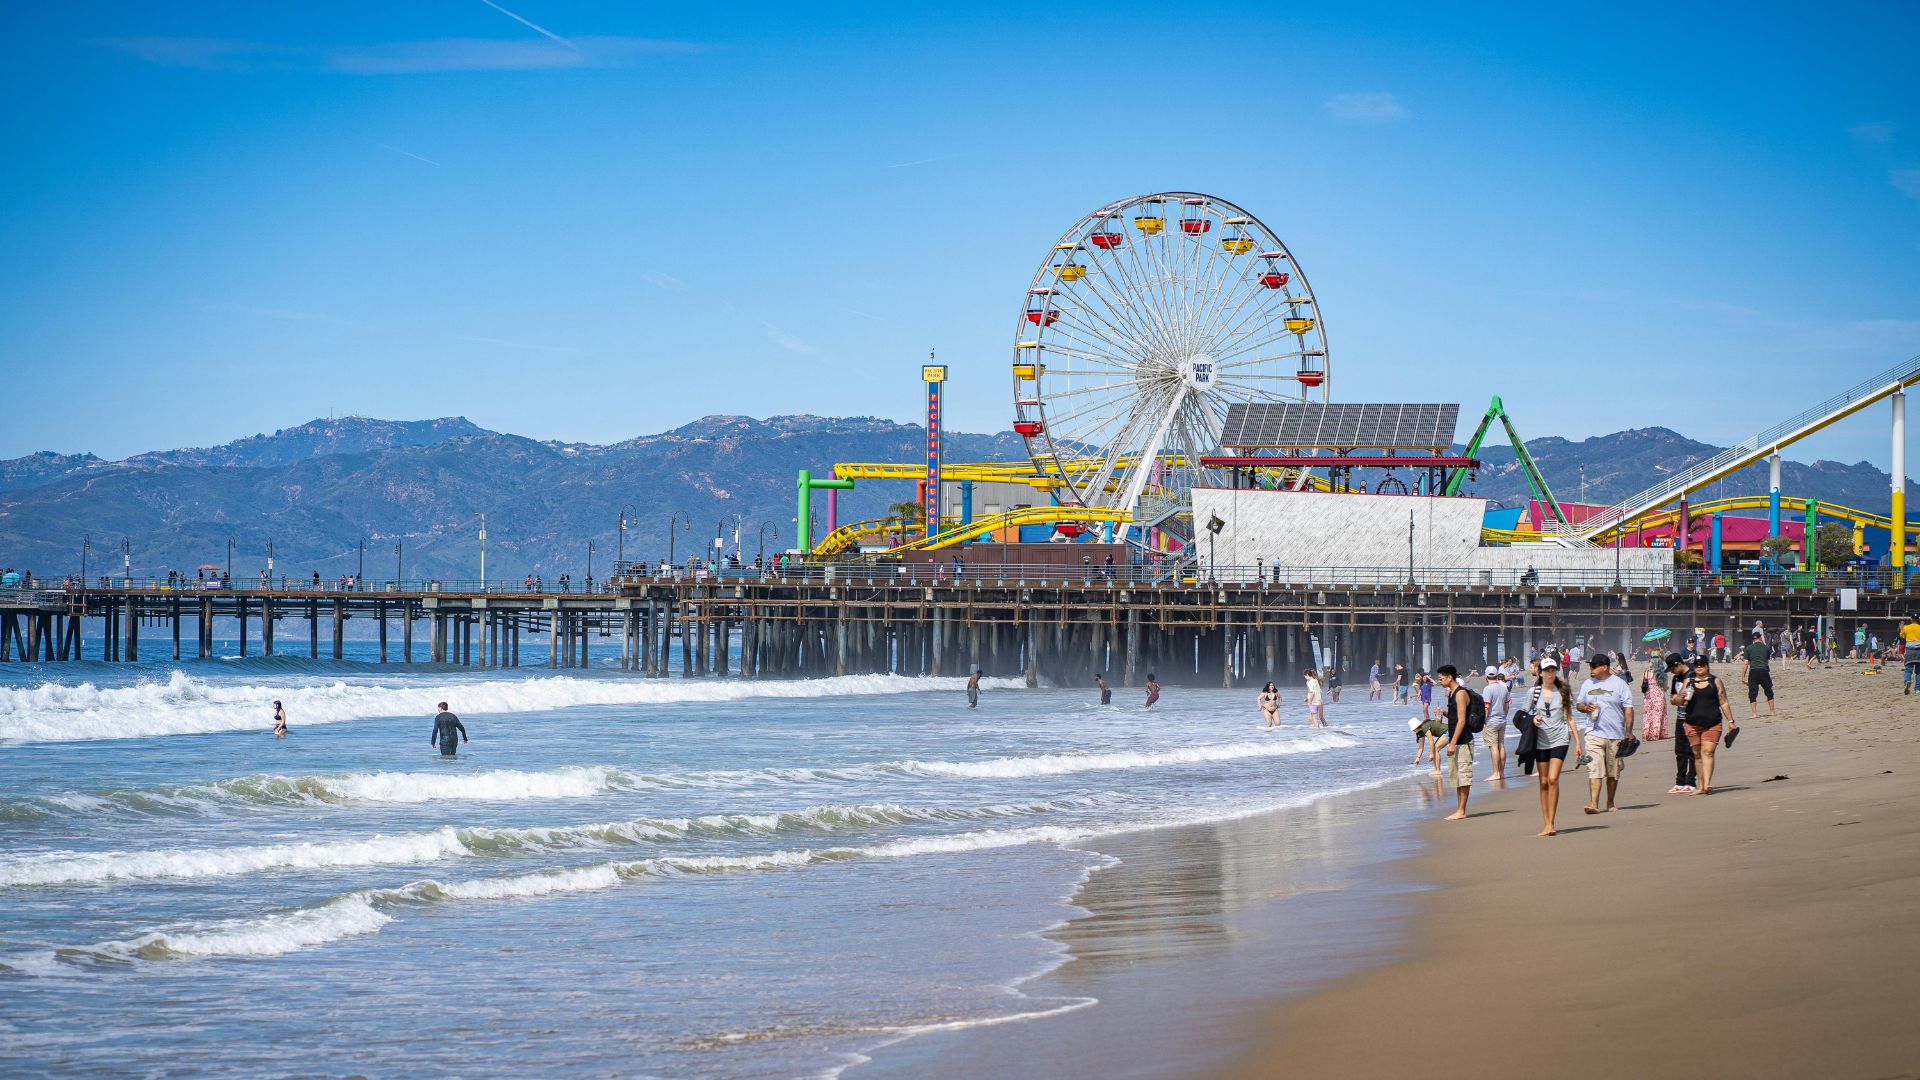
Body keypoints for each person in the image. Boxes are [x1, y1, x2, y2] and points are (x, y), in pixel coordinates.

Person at [1525, 656, 1581, 836]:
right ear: (1540, 672)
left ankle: (1552, 824)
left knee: (1553, 778)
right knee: (1543, 782)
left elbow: (1570, 717)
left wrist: (1578, 743)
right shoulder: (1533, 692)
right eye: (1547, 670)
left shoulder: (1563, 690)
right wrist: (1533, 718)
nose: (1550, 673)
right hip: (1541, 740)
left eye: (1553, 670)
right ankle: (1546, 823)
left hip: (1560, 738)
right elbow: (1524, 714)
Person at [1575, 654, 1635, 814]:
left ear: (1605, 667)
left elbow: (1628, 708)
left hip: (1615, 734)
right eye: (1590, 666)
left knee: (1612, 770)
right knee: (1594, 768)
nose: (1591, 669)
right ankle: (1594, 804)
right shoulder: (1587, 684)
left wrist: (1628, 731)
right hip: (1593, 733)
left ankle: (1610, 802)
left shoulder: (1620, 684)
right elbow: (1579, 704)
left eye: (1594, 666)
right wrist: (1585, 708)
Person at [1673, 655, 1737, 795]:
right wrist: (1679, 697)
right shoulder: (1688, 682)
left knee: (1707, 752)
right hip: (1692, 723)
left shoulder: (1715, 681)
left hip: (1712, 723)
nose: (1699, 666)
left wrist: (1731, 722)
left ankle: (1707, 784)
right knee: (1697, 755)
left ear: (1707, 665)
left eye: (1702, 664)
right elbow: (1679, 701)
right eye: (1696, 664)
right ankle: (1700, 786)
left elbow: (1723, 701)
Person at [1433, 666, 1475, 820]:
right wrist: (1443, 713)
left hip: (1463, 741)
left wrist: (1452, 743)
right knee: (1456, 776)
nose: (1439, 680)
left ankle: (1461, 811)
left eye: (1441, 678)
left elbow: (1462, 720)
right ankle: (1459, 809)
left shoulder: (1460, 694)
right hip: (1456, 741)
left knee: (1463, 776)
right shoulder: (1452, 694)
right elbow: (1456, 717)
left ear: (1450, 677)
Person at [1480, 666, 1509, 779]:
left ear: (1486, 676)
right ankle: (1501, 772)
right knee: (1501, 746)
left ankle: (1496, 773)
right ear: (1496, 675)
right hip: (1502, 719)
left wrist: (1483, 721)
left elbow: (1486, 707)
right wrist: (1504, 716)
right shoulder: (1504, 687)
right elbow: (1507, 705)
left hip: (1491, 721)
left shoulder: (1488, 689)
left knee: (1493, 747)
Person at [1741, 631, 1776, 719]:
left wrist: (1743, 677)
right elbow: (1767, 661)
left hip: (1753, 671)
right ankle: (1772, 712)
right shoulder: (1766, 648)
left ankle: (1754, 714)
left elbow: (1745, 664)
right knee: (1769, 691)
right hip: (1764, 671)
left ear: (1753, 639)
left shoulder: (1748, 648)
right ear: (1760, 638)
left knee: (1752, 693)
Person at [1639, 650, 1670, 740]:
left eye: (1650, 661)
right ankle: (1656, 734)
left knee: (1647, 715)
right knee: (1658, 715)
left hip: (1648, 697)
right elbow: (1665, 687)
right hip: (1659, 696)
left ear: (1653, 663)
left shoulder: (1646, 673)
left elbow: (1641, 685)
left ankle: (1646, 734)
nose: (1649, 662)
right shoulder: (1662, 674)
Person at [1901, 616, 1920, 695]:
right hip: (1919, 650)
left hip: (1909, 650)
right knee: (1919, 671)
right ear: (1918, 620)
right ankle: (1918, 689)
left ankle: (1907, 681)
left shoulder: (1906, 627)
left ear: (1911, 620)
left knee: (1908, 669)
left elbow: (1902, 636)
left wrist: (1902, 627)